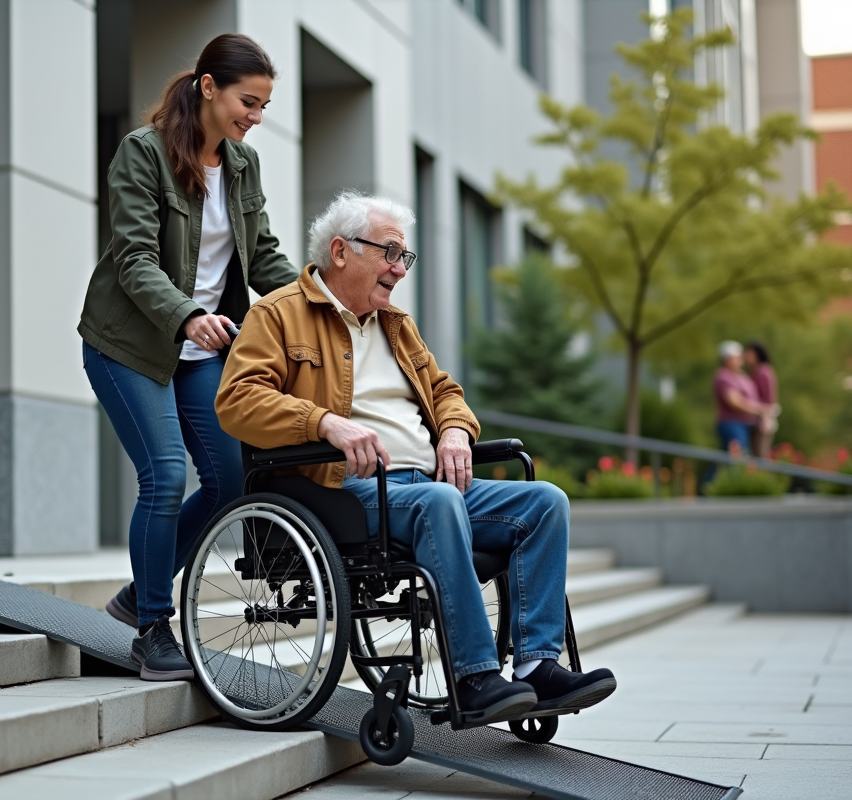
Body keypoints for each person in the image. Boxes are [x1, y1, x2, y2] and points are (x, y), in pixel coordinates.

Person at [215, 191, 617, 725]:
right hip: (343, 490)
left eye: (405, 258)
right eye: (389, 254)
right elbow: (237, 401)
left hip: (425, 483)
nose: (399, 270)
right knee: (439, 503)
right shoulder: (279, 315)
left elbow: (445, 391)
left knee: (544, 503)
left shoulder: (397, 326)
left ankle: (537, 667)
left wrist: (454, 432)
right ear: (340, 251)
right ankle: (474, 678)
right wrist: (323, 422)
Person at [78, 34, 298, 681]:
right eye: (247, 102)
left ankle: (134, 592)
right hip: (131, 344)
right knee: (166, 476)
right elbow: (134, 258)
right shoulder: (143, 154)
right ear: (209, 87)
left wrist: (318, 302)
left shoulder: (241, 166)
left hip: (201, 353)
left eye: (262, 107)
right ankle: (152, 624)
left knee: (230, 481)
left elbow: (262, 257)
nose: (254, 118)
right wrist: (187, 315)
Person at [713, 341, 769, 453]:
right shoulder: (724, 376)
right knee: (737, 458)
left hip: (746, 424)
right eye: (737, 358)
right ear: (727, 359)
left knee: (735, 460)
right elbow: (734, 402)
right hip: (732, 423)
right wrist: (759, 410)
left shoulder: (740, 376)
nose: (740, 360)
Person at [744, 341, 779, 459]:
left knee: (761, 455)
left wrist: (765, 418)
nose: (746, 357)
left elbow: (769, 399)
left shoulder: (763, 371)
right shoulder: (755, 371)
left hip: (763, 419)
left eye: (749, 354)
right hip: (756, 419)